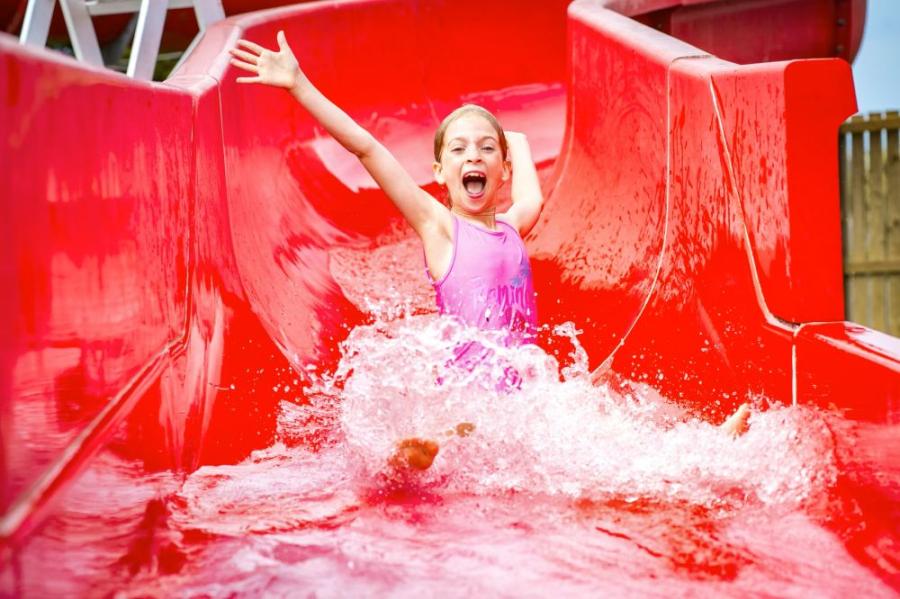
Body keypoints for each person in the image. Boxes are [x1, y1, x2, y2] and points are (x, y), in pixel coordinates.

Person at [228, 31, 750, 472]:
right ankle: (413, 458)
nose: (471, 156)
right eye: (458, 149)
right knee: (464, 426)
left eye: (484, 149)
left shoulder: (511, 227)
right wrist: (299, 86)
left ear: (500, 169)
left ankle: (696, 454)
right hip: (469, 389)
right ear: (439, 174)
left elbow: (534, 196)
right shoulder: (439, 228)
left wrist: (513, 139)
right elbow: (367, 147)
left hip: (526, 391)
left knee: (597, 415)